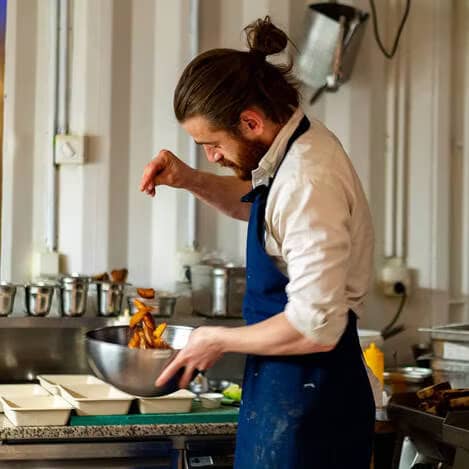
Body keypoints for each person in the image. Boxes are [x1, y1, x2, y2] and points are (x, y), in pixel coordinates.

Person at [140, 16, 375, 469]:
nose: (211, 156)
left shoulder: (308, 180)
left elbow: (316, 327)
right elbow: (263, 210)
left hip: (313, 411)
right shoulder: (289, 152)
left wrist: (216, 340)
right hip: (284, 396)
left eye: (211, 143)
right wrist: (188, 179)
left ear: (250, 121)